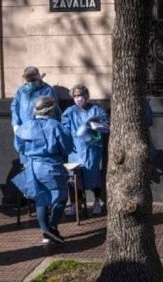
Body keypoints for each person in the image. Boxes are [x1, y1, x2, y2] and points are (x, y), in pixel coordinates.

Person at [12, 96, 73, 244]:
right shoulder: (56, 126)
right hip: (52, 166)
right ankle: (51, 228)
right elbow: (67, 148)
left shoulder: (25, 126)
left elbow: (19, 147)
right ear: (51, 110)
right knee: (61, 197)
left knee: (41, 198)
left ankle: (45, 231)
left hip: (33, 166)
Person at [61, 84, 109, 215]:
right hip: (75, 150)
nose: (78, 98)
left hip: (92, 149)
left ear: (86, 96)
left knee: (93, 175)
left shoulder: (96, 110)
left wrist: (93, 126)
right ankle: (75, 204)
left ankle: (97, 202)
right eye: (75, 96)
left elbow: (106, 126)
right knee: (74, 177)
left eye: (80, 95)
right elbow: (63, 130)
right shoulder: (69, 112)